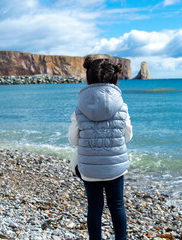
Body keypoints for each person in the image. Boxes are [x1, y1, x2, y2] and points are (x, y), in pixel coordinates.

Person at [68, 55, 133, 240]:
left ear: (87, 80)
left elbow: (73, 139)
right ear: (115, 81)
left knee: (94, 208)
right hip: (115, 167)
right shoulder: (122, 107)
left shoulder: (79, 109)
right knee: (117, 206)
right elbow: (127, 137)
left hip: (89, 168)